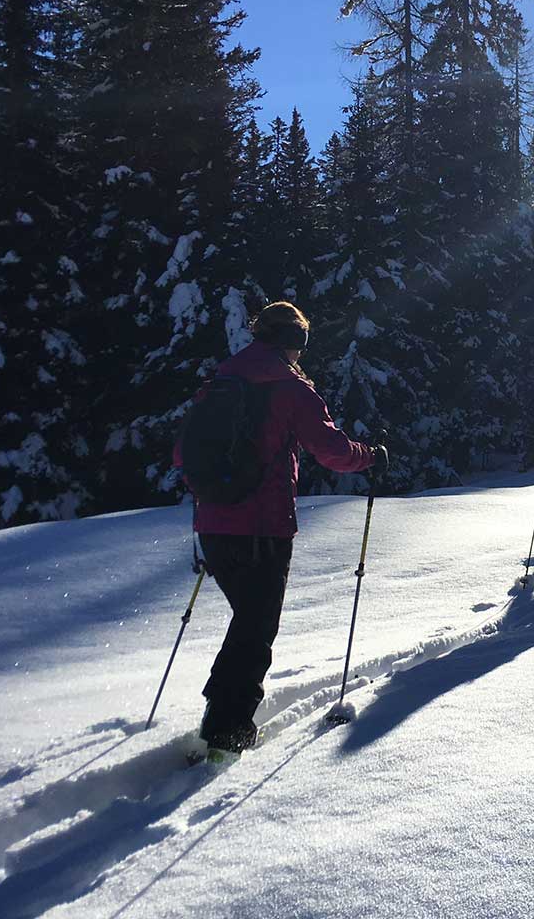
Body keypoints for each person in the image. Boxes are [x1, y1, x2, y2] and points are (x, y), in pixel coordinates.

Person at [174, 301, 387, 753]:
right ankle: (227, 729)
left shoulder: (222, 380)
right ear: (293, 341)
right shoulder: (290, 389)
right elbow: (331, 450)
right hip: (262, 528)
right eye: (301, 343)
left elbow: (182, 455)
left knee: (248, 620)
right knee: (257, 625)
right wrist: (372, 456)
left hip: (213, 522)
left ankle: (222, 713)